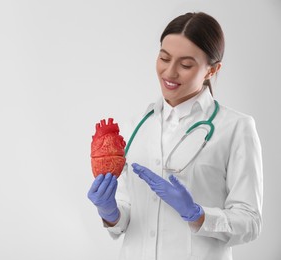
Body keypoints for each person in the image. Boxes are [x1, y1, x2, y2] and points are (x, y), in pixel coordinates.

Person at [87, 12, 263, 260]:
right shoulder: (134, 127)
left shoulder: (235, 128)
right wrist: (109, 211)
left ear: (212, 70)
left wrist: (198, 214)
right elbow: (125, 217)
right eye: (164, 58)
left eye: (186, 64)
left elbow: (250, 221)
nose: (169, 72)